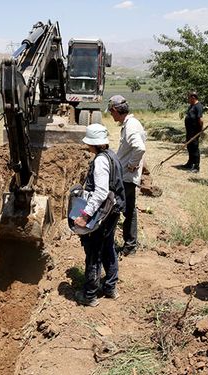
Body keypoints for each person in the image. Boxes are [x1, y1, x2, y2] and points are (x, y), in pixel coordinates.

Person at [73, 124, 126, 307]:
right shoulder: (112, 155)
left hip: (104, 212)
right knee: (108, 247)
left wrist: (85, 215)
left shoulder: (101, 161)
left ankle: (89, 295)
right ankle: (110, 288)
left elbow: (101, 192)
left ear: (93, 144)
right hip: (114, 210)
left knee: (94, 252)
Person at [107, 95, 146, 257]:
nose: (111, 115)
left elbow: (139, 148)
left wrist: (132, 164)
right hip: (128, 177)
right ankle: (130, 245)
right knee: (130, 211)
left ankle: (108, 244)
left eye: (111, 112)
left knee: (113, 209)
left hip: (126, 178)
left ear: (116, 110)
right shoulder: (132, 123)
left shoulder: (130, 126)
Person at [182, 91, 204, 173]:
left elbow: (200, 119)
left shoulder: (198, 106)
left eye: (189, 98)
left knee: (194, 148)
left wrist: (200, 130)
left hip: (195, 132)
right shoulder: (191, 106)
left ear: (193, 98)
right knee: (189, 147)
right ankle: (190, 163)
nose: (188, 99)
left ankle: (196, 167)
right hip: (189, 131)